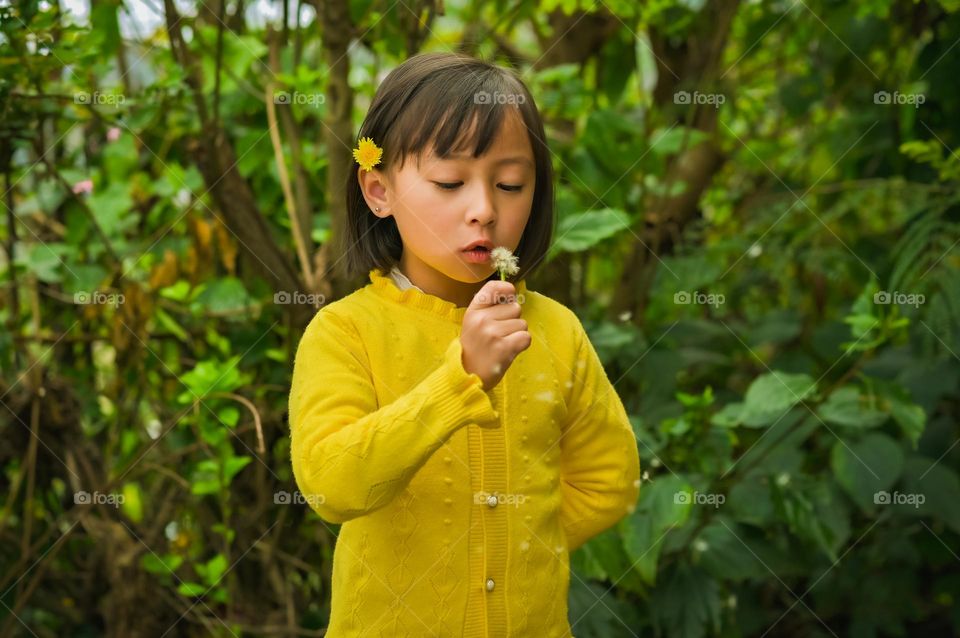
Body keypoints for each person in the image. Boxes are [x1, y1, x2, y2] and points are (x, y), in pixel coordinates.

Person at [288, 51, 640, 637]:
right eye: (449, 182)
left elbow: (610, 482)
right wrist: (461, 381)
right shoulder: (345, 331)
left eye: (510, 184)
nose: (484, 210)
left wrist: (507, 539)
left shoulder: (555, 330)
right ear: (378, 191)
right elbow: (331, 485)